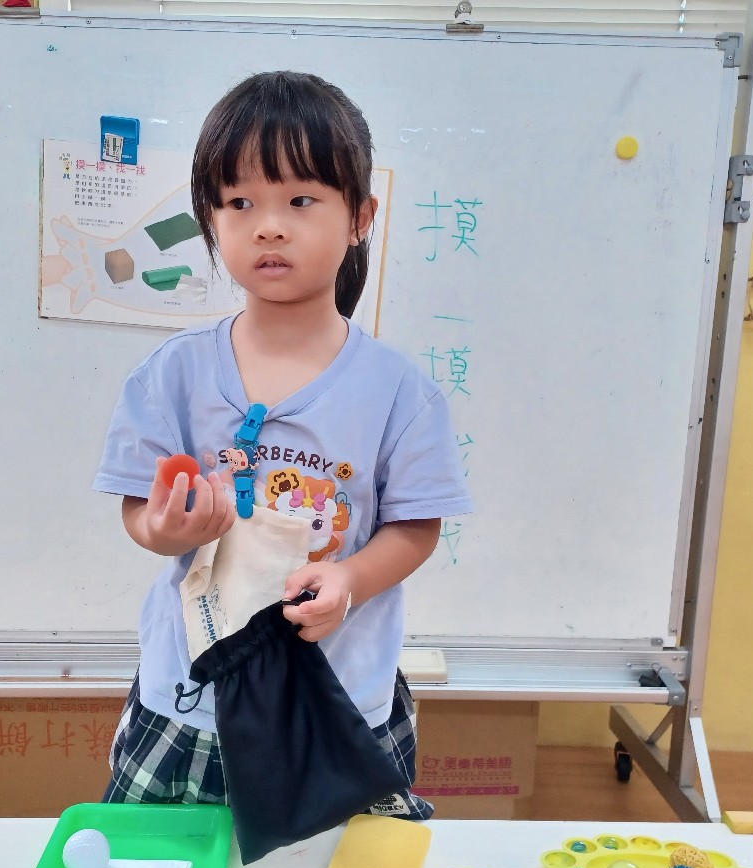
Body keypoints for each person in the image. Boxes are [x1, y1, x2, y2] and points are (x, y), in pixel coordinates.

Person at [93, 70, 472, 820]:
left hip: (335, 704)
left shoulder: (399, 391)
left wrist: (350, 580)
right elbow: (139, 512)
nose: (268, 226)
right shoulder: (171, 374)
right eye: (239, 203)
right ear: (211, 219)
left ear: (359, 217)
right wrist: (164, 529)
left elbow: (415, 528)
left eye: (300, 200)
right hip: (191, 698)